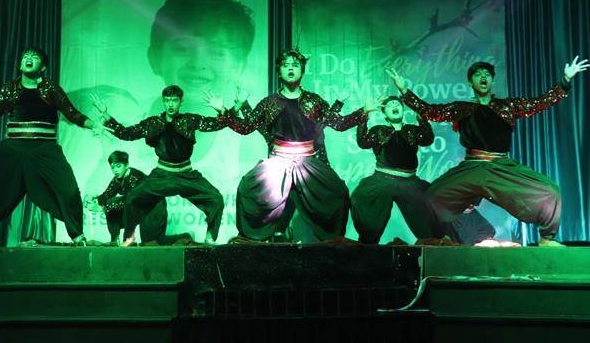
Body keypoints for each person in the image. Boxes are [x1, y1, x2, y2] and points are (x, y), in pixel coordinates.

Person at [386, 56, 589, 246]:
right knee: (433, 197)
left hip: (501, 166)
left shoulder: (507, 106)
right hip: (472, 166)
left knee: (550, 191)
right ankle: (445, 239)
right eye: (478, 74)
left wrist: (565, 81)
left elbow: (539, 103)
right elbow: (431, 111)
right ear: (470, 82)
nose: (483, 77)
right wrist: (404, 91)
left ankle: (546, 239)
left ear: (492, 80)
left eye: (487, 74)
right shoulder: (461, 108)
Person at [0, 47, 107, 245]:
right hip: (14, 148)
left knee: (69, 191)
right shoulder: (10, 88)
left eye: (34, 57)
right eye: (25, 56)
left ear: (42, 67)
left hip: (44, 149)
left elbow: (72, 113)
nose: (28, 58)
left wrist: (93, 125)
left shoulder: (51, 88)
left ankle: (77, 235)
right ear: (21, 64)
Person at [208, 49, 372, 243]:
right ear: (279, 71)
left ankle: (331, 242)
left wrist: (364, 111)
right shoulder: (270, 102)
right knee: (246, 189)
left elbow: (339, 123)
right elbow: (245, 127)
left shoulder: (314, 100)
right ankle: (254, 239)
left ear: (302, 71)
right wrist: (223, 110)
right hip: (278, 162)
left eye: (295, 65)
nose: (291, 69)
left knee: (338, 191)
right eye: (286, 66)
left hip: (308, 161)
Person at [93, 85, 226, 246]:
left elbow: (215, 124)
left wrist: (222, 110)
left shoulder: (189, 120)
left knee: (216, 199)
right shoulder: (153, 123)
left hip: (186, 175)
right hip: (162, 175)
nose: (170, 104)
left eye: (174, 100)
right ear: (163, 101)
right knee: (133, 197)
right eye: (167, 100)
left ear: (181, 102)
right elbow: (127, 134)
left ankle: (209, 238)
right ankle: (129, 239)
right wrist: (106, 115)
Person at [352, 95, 495, 244]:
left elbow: (427, 139)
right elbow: (363, 142)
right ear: (384, 113)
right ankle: (366, 246)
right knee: (361, 199)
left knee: (435, 204)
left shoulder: (412, 130)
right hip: (382, 179)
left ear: (403, 110)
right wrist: (365, 113)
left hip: (410, 182)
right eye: (390, 105)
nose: (394, 106)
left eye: (398, 104)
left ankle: (462, 238)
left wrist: (422, 118)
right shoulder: (378, 130)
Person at [83, 150, 149, 244]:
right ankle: (114, 240)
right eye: (112, 167)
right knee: (112, 210)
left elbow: (130, 200)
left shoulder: (135, 177)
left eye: (118, 166)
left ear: (126, 165)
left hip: (149, 210)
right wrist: (94, 200)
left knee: (114, 205)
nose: (115, 170)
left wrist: (103, 207)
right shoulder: (118, 179)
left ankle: (129, 241)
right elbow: (107, 194)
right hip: (135, 209)